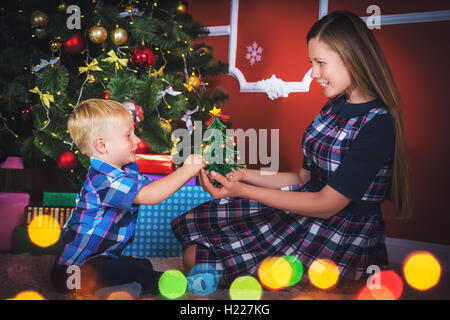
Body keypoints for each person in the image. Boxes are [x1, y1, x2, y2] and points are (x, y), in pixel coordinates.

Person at [171, 10, 413, 290]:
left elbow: (326, 205)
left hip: (338, 233)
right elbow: (302, 179)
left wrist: (243, 191)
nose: (314, 73)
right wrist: (241, 175)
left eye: (321, 63)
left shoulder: (378, 124)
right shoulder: (334, 105)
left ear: (353, 58)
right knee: (196, 252)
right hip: (303, 210)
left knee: (205, 267)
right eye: (312, 62)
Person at [50, 99, 205, 297]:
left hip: (100, 260)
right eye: (128, 135)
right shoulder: (104, 179)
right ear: (101, 144)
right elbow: (149, 195)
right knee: (131, 270)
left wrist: (192, 174)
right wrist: (186, 171)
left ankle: (130, 282)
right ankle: (151, 284)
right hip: (71, 273)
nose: (137, 141)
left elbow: (155, 186)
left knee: (137, 264)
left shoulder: (125, 173)